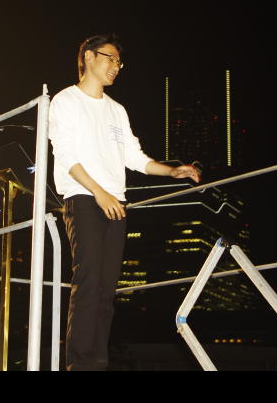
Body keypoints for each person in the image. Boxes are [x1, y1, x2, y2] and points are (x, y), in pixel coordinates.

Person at [48, 34, 200, 371]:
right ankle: (79, 365)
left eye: (119, 62)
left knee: (106, 290)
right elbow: (66, 155)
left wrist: (171, 171)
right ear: (89, 57)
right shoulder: (66, 101)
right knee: (88, 282)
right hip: (84, 198)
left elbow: (134, 157)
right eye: (111, 58)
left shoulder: (117, 110)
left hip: (115, 203)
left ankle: (97, 363)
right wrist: (99, 192)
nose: (116, 66)